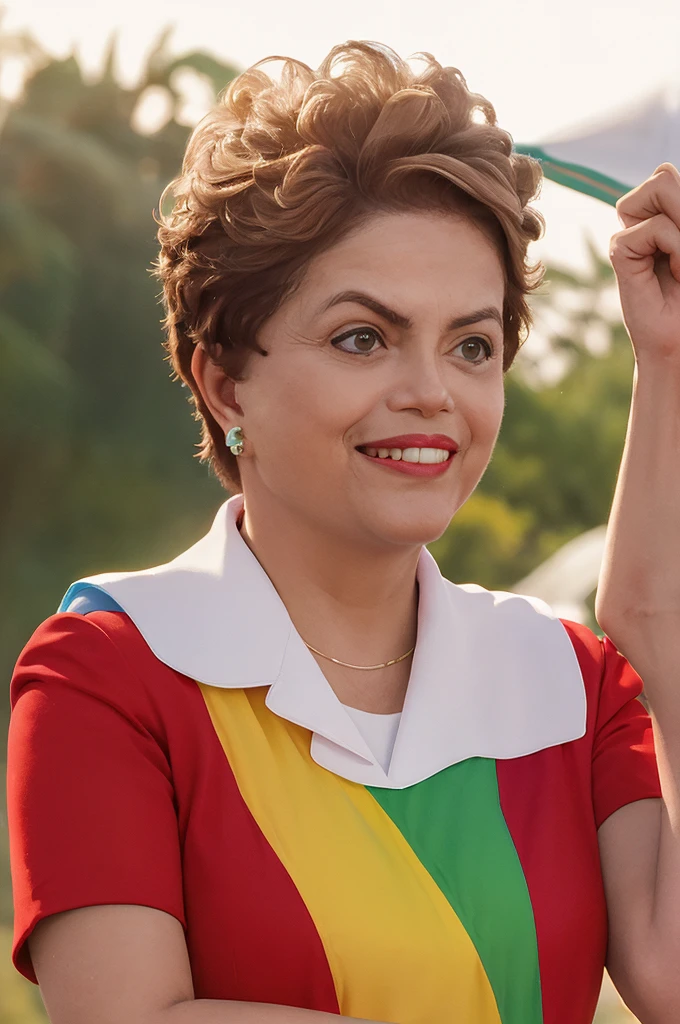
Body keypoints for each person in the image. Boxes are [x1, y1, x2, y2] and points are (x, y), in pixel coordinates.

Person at [6, 39, 680, 1024]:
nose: (429, 393)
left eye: (472, 344)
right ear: (223, 380)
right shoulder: (108, 670)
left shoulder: (575, 684)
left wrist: (664, 364)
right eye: (362, 337)